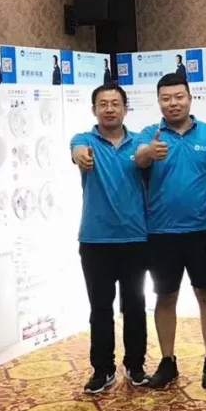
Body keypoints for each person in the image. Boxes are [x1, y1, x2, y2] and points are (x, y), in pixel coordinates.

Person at [134, 73, 206, 389]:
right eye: (166, 98)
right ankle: (167, 361)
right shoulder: (150, 134)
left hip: (203, 230)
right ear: (159, 102)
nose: (173, 103)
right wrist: (149, 152)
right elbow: (138, 159)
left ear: (190, 98)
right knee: (165, 297)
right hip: (160, 232)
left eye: (178, 97)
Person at [71, 84, 151, 394]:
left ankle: (135, 365)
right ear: (94, 110)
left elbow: (145, 157)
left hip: (135, 238)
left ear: (125, 109)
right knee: (100, 309)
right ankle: (102, 370)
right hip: (96, 240)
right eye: (103, 104)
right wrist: (81, 158)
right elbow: (77, 152)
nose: (109, 108)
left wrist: (147, 154)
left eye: (115, 103)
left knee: (135, 306)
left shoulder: (139, 142)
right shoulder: (84, 140)